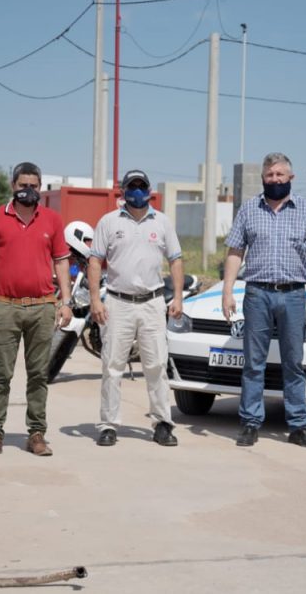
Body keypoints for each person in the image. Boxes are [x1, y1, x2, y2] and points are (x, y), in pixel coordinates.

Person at [222, 152, 306, 448]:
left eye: (280, 174)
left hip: (293, 294)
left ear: (291, 177)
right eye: (270, 175)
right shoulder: (249, 209)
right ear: (263, 178)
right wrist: (228, 292)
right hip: (257, 294)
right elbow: (235, 251)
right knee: (254, 363)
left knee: (293, 363)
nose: (275, 179)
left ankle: (299, 426)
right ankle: (250, 423)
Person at [0, 162, 72, 459]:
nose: (28, 190)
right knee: (1, 374)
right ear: (12, 186)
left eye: (33, 186)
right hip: (6, 307)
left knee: (38, 374)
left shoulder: (52, 220)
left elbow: (61, 262)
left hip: (43, 307)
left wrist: (65, 301)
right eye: (22, 185)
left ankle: (37, 433)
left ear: (40, 188)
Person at [89, 169, 184, 448]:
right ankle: (108, 425)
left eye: (142, 186)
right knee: (112, 366)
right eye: (133, 186)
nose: (138, 191)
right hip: (118, 302)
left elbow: (176, 260)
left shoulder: (162, 222)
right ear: (123, 191)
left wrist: (178, 297)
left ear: (150, 190)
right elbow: (95, 261)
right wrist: (95, 299)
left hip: (152, 303)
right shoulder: (109, 222)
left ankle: (163, 424)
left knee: (156, 366)